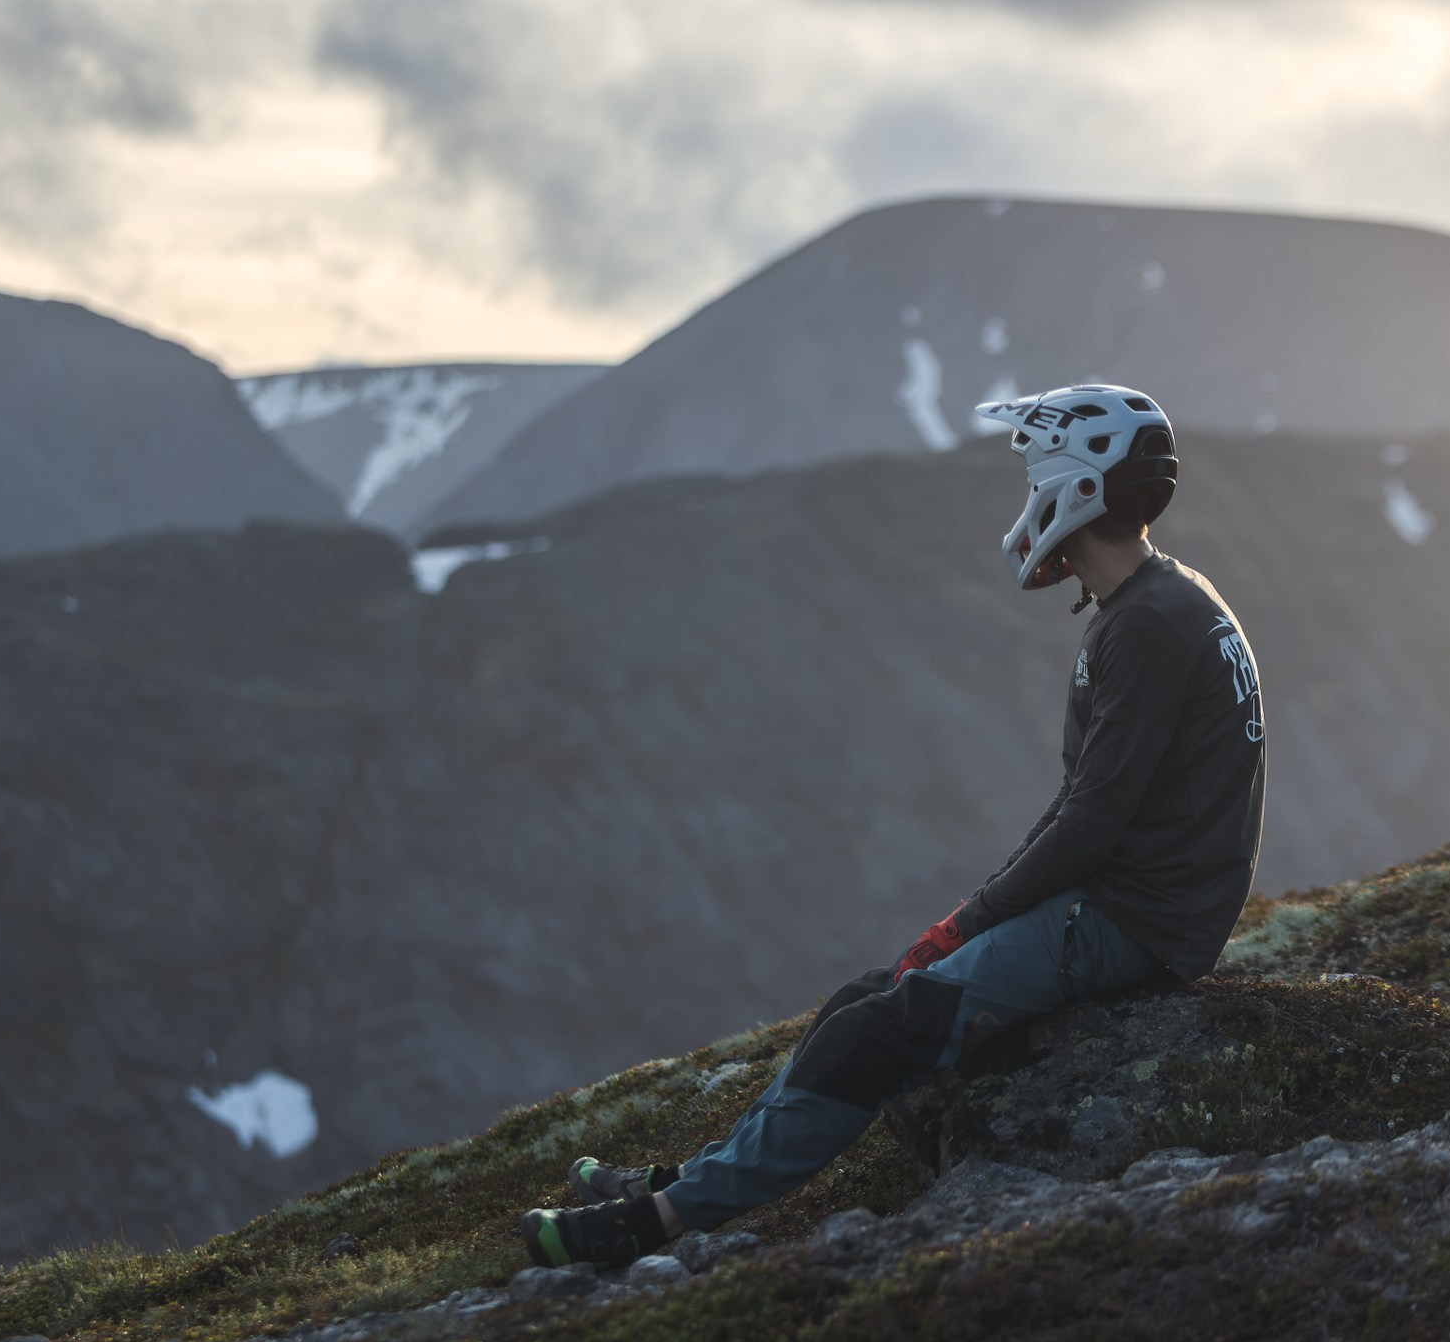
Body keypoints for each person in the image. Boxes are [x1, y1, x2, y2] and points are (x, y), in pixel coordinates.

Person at [520, 384, 1266, 1269]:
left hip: (1133, 922)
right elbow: (1086, 805)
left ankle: (660, 1221)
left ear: (1080, 485)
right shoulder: (1164, 599)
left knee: (875, 1033)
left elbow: (1091, 822)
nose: (1025, 487)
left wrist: (970, 920)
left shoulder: (1143, 627)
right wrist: (974, 915)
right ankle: (692, 1175)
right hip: (1142, 902)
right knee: (861, 999)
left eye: (1035, 467)